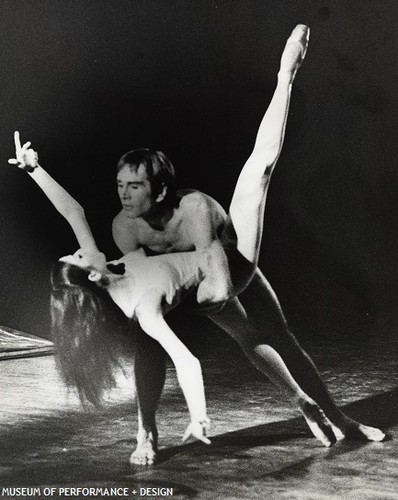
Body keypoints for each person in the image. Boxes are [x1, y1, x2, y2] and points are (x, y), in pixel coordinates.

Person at [109, 25, 385, 464]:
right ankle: (146, 432)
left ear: (160, 192)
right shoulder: (125, 228)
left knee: (258, 173)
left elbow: (220, 291)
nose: (124, 195)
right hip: (194, 283)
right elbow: (145, 289)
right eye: (120, 185)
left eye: (134, 186)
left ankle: (286, 76)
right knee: (147, 339)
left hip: (233, 265)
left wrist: (172, 294)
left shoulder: (195, 209)